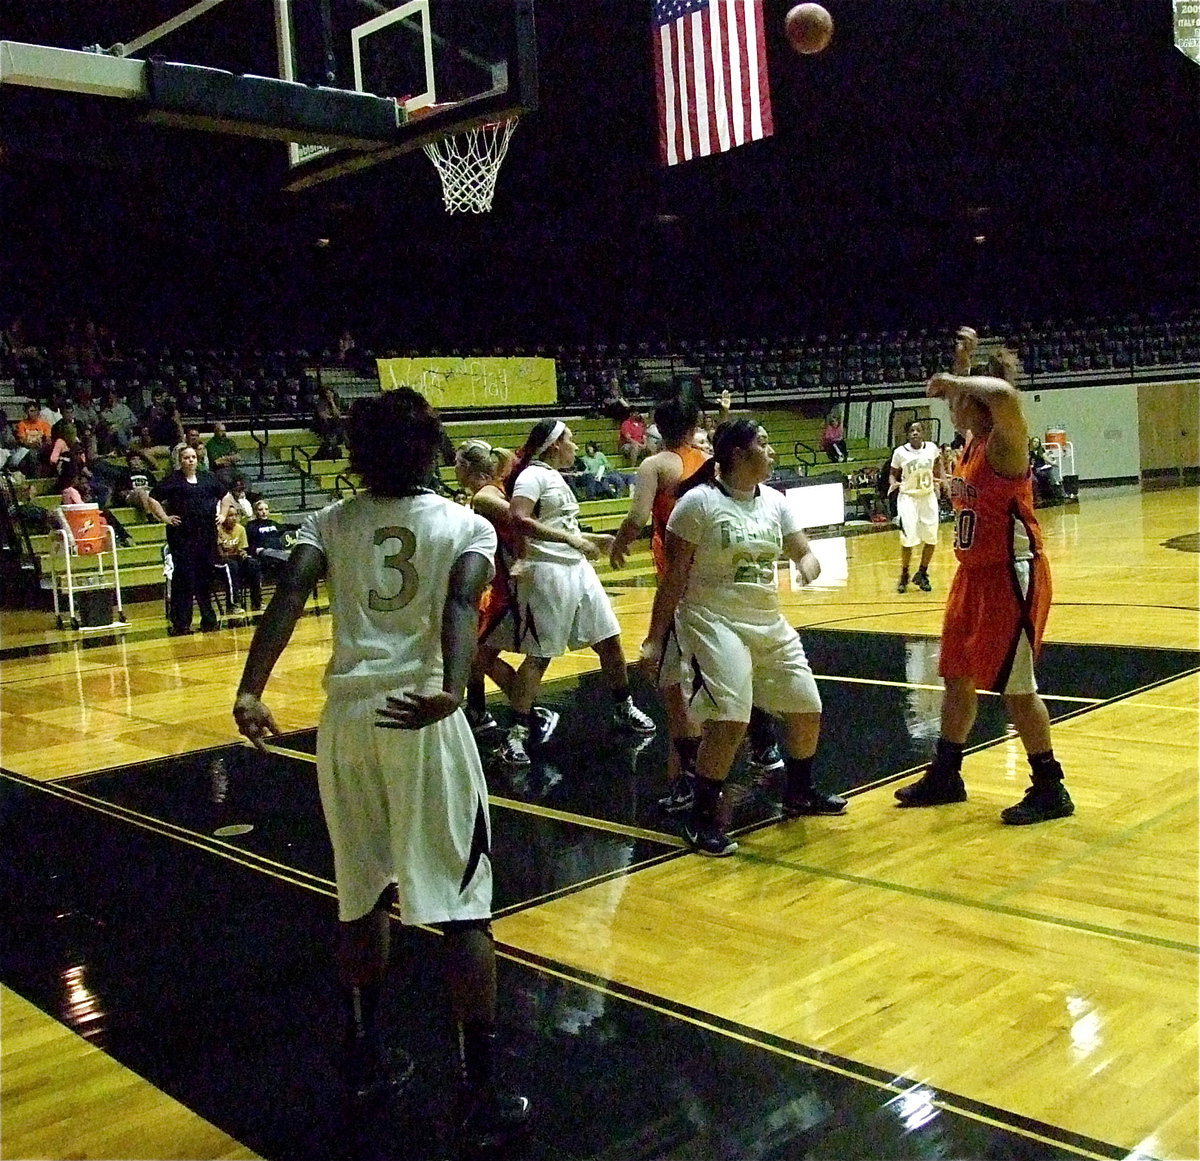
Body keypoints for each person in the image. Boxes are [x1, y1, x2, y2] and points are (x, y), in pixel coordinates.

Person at [231, 388, 530, 1147]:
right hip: (422, 717)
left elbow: (290, 591)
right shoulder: (464, 523)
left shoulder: (330, 521)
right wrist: (455, 689)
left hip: (348, 720)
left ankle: (363, 1052)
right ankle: (478, 1089)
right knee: (463, 904)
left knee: (360, 891)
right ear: (431, 449)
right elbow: (462, 603)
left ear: (359, 454)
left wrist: (250, 688)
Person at [893, 326, 1075, 825]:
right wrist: (962, 358)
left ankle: (1050, 786)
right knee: (955, 673)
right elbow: (975, 394)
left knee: (1016, 688)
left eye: (961, 402)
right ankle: (946, 773)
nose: (953, 410)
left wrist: (957, 373)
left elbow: (1005, 395)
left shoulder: (1006, 444)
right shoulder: (974, 440)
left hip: (1010, 575)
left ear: (981, 408)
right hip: (972, 576)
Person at [643, 419, 845, 857]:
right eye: (765, 443)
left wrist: (809, 564)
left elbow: (801, 549)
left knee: (807, 707)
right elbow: (673, 578)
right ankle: (701, 820)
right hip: (712, 620)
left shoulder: (775, 502)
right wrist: (655, 640)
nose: (772, 452)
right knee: (732, 717)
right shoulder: (697, 505)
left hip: (767, 620)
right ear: (736, 453)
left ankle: (800, 791)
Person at [486, 419, 657, 766]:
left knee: (609, 639)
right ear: (553, 446)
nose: (575, 446)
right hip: (547, 573)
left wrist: (594, 540)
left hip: (577, 569)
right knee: (540, 655)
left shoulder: (553, 478)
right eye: (570, 440)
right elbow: (519, 518)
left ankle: (623, 706)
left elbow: (562, 525)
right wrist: (572, 540)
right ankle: (515, 734)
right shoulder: (532, 476)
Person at [609, 397, 707, 811]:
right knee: (714, 675)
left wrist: (618, 542)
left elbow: (637, 516)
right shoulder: (710, 458)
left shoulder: (656, 465)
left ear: (654, 425)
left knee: (670, 684)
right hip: (715, 577)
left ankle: (690, 779)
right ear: (696, 423)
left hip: (678, 578)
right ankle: (761, 744)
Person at [453, 439, 559, 755]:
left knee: (476, 654)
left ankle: (526, 715)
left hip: (508, 588)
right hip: (501, 586)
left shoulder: (486, 497)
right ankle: (483, 712)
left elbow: (521, 524)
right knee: (476, 653)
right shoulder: (491, 493)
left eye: (457, 464)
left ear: (467, 468)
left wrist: (565, 541)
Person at [152, 445, 233, 635]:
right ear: (180, 461)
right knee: (184, 578)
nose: (191, 460)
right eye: (187, 457)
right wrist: (165, 518)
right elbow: (152, 498)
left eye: (193, 457)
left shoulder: (208, 478)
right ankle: (181, 623)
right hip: (182, 537)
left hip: (206, 536)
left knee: (205, 577)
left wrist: (221, 515)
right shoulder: (173, 480)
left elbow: (227, 496)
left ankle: (208, 618)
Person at [890, 420, 945, 592]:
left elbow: (938, 464)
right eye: (912, 430)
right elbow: (892, 474)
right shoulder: (900, 453)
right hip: (908, 499)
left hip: (927, 497)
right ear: (907, 434)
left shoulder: (931, 448)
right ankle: (904, 574)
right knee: (908, 540)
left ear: (923, 433)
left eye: (918, 430)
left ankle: (922, 572)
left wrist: (942, 479)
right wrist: (893, 483)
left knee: (931, 538)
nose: (915, 433)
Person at [215, 507, 261, 613]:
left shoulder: (240, 529)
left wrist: (243, 555)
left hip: (234, 559)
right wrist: (234, 554)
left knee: (253, 563)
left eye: (236, 515)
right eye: (230, 515)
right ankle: (233, 604)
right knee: (231, 566)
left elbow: (241, 550)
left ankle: (257, 602)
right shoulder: (217, 530)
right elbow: (220, 554)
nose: (234, 518)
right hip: (218, 563)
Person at [245, 498, 295, 578]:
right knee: (286, 557)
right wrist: (255, 550)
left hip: (278, 553)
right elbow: (247, 543)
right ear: (255, 512)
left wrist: (304, 525)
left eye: (266, 509)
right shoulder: (251, 525)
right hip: (263, 554)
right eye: (260, 509)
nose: (264, 512)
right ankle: (288, 557)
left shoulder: (273, 523)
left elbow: (288, 527)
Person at [205, 422, 241, 486]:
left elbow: (238, 457)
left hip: (233, 469)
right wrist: (231, 458)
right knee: (229, 480)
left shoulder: (230, 442)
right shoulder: (210, 444)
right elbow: (217, 462)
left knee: (245, 478)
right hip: (219, 470)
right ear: (215, 431)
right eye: (221, 431)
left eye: (224, 431)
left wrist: (224, 458)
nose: (223, 433)